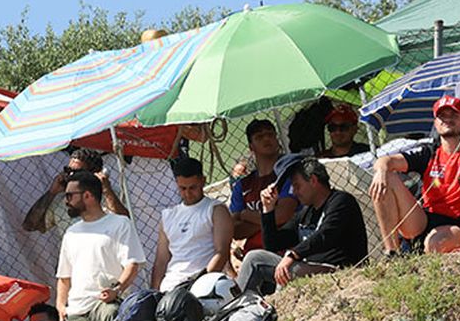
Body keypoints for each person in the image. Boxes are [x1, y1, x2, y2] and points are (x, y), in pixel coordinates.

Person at [368, 95, 460, 255]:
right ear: (435, 123)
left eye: (454, 114)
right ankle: (392, 252)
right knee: (386, 177)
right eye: (442, 116)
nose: (448, 119)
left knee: (435, 244)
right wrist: (381, 172)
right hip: (425, 220)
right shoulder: (429, 151)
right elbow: (385, 161)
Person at [237, 156, 368, 294]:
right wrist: (268, 210)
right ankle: (237, 304)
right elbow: (273, 244)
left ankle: (238, 304)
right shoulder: (306, 212)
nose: (294, 192)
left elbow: (325, 235)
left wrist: (292, 255)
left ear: (313, 180)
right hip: (308, 268)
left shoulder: (341, 201)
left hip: (337, 271)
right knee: (254, 257)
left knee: (274, 265)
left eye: (297, 186)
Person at [54, 171, 146, 321]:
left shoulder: (120, 223)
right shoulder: (71, 233)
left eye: (70, 195)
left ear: (88, 196)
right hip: (78, 309)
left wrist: (116, 290)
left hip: (106, 302)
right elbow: (64, 276)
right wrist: (60, 305)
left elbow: (132, 264)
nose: (66, 201)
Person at [150, 155, 232, 300]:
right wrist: (154, 294)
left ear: (203, 181)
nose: (187, 193)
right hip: (171, 286)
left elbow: (222, 253)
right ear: (176, 183)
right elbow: (161, 261)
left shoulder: (215, 210)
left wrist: (201, 283)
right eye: (182, 188)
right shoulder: (168, 215)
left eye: (192, 187)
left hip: (203, 284)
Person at [231, 119, 297, 255]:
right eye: (259, 137)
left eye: (270, 134)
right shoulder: (242, 185)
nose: (266, 139)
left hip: (285, 250)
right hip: (253, 251)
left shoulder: (288, 175)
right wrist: (271, 220)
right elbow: (235, 231)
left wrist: (245, 215)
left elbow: (283, 215)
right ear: (251, 147)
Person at [23, 148, 126, 233]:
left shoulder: (110, 196)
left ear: (94, 174)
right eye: (68, 170)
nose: (71, 176)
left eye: (77, 172)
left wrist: (107, 190)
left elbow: (125, 223)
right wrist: (52, 192)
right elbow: (30, 225)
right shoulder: (61, 199)